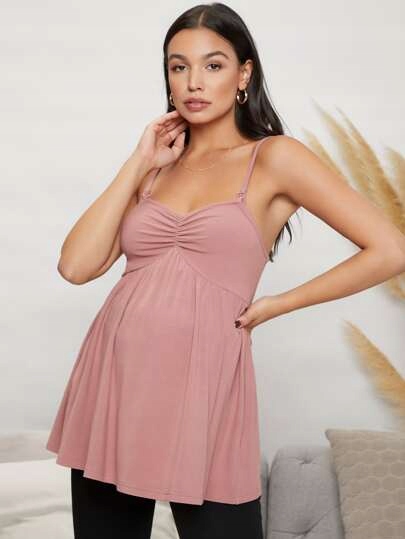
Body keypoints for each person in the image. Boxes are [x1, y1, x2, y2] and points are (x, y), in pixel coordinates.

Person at [45, 3, 405, 539]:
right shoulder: (157, 164)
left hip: (205, 382)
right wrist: (138, 161)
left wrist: (277, 304)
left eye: (213, 65)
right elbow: (76, 266)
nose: (193, 81)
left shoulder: (276, 158)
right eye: (179, 66)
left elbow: (391, 249)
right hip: (114, 378)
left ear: (243, 74)